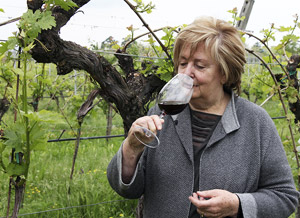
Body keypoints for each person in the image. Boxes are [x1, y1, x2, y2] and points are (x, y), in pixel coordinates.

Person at [107, 16, 299, 218]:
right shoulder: (160, 115)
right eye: (183, 63)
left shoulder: (255, 122)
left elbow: (285, 197)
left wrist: (237, 204)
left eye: (199, 66)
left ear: (224, 73)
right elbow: (127, 190)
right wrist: (132, 148)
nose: (187, 73)